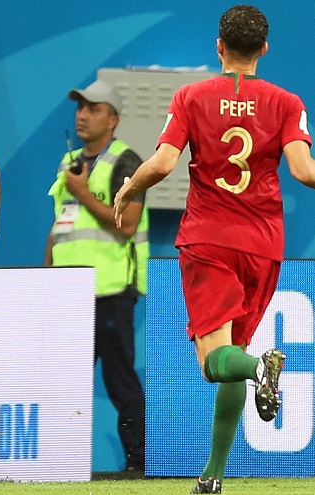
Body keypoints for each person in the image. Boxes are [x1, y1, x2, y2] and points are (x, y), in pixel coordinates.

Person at [114, 5, 308, 493]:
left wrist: (129, 188)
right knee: (232, 353)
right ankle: (213, 476)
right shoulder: (287, 102)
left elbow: (161, 164)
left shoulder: (191, 96)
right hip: (264, 245)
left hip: (209, 237)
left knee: (215, 361)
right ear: (264, 49)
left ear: (219, 47)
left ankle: (262, 366)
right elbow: (305, 171)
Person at [44, 80, 148, 473]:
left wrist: (85, 193)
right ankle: (55, 462)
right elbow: (60, 224)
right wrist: (48, 274)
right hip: (69, 290)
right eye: (80, 108)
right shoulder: (69, 162)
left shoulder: (127, 161)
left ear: (113, 119)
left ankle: (138, 463)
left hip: (109, 288)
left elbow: (128, 223)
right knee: (63, 381)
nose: (83, 115)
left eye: (94, 108)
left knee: (119, 380)